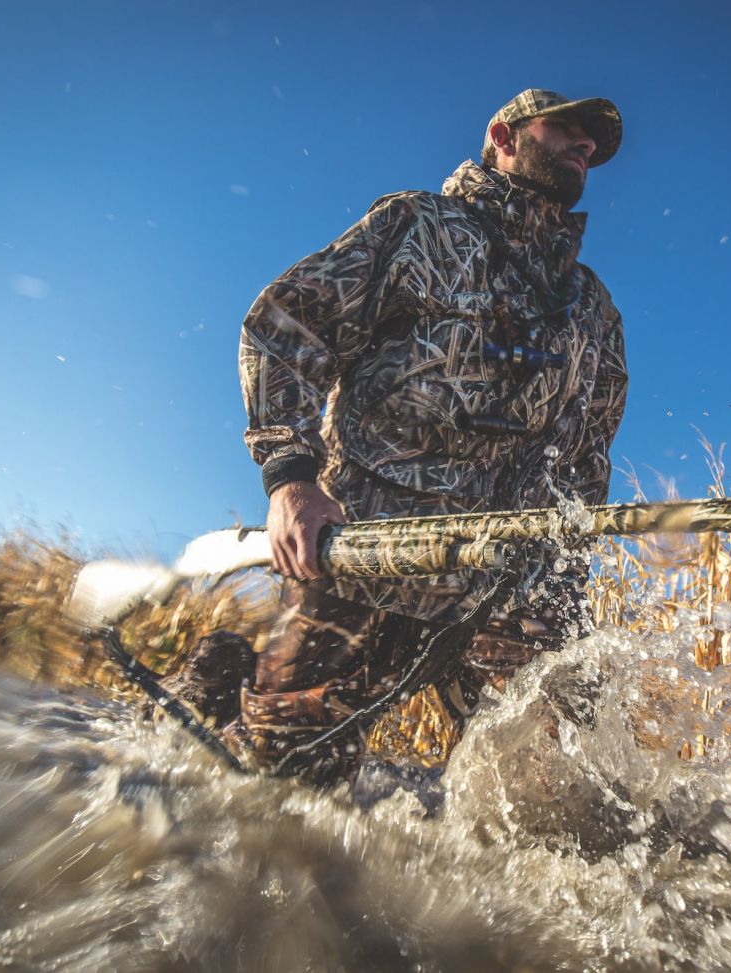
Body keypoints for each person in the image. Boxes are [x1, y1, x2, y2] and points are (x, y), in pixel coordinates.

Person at [169, 89, 628, 783]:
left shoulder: (593, 306)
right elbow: (289, 327)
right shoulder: (418, 226)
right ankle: (219, 675)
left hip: (512, 580)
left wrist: (566, 569)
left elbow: (590, 448)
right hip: (370, 549)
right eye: (564, 128)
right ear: (504, 136)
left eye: (591, 143)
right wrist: (290, 477)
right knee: (282, 781)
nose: (585, 146)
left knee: (551, 795)